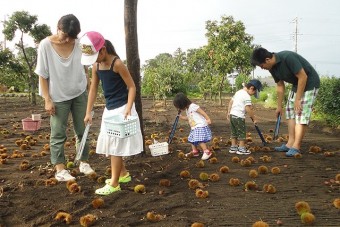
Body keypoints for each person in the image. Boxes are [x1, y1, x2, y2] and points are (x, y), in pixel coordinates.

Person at [80, 31, 143, 195]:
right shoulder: (96, 66)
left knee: (115, 146)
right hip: (109, 109)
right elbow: (93, 89)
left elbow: (132, 87)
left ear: (103, 50)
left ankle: (114, 183)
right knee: (110, 143)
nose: (93, 61)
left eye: (95, 56)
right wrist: (88, 112)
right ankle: (123, 174)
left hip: (122, 109)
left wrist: (129, 107)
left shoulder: (117, 64)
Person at [35, 14, 95, 182]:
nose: (68, 40)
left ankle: (83, 162)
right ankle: (60, 169)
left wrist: (89, 89)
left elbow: (86, 68)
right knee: (58, 133)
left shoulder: (80, 43)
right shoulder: (45, 45)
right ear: (58, 28)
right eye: (65, 36)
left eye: (72, 37)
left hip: (79, 93)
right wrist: (47, 99)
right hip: (58, 96)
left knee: (82, 130)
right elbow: (42, 74)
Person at [251, 47, 320, 157]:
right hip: (297, 85)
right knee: (290, 113)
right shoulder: (272, 68)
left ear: (267, 59)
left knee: (300, 114)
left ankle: (296, 146)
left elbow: (303, 76)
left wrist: (298, 99)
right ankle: (290, 143)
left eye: (261, 66)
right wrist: (279, 106)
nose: (262, 68)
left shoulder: (288, 57)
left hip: (309, 84)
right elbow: (280, 86)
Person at [227, 80, 263, 155]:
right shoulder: (247, 96)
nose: (253, 94)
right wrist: (254, 118)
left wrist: (228, 112)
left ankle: (233, 147)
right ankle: (241, 148)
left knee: (234, 131)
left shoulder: (238, 92)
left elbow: (231, 102)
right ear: (251, 88)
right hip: (239, 116)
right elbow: (247, 108)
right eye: (254, 92)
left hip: (232, 115)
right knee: (241, 132)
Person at [173, 92, 212, 160]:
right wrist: (181, 117)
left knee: (199, 139)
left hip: (200, 126)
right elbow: (189, 118)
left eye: (179, 107)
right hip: (194, 127)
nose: (179, 109)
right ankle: (195, 151)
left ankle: (206, 151)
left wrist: (208, 119)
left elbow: (202, 112)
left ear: (182, 104)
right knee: (192, 139)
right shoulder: (187, 109)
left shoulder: (193, 106)